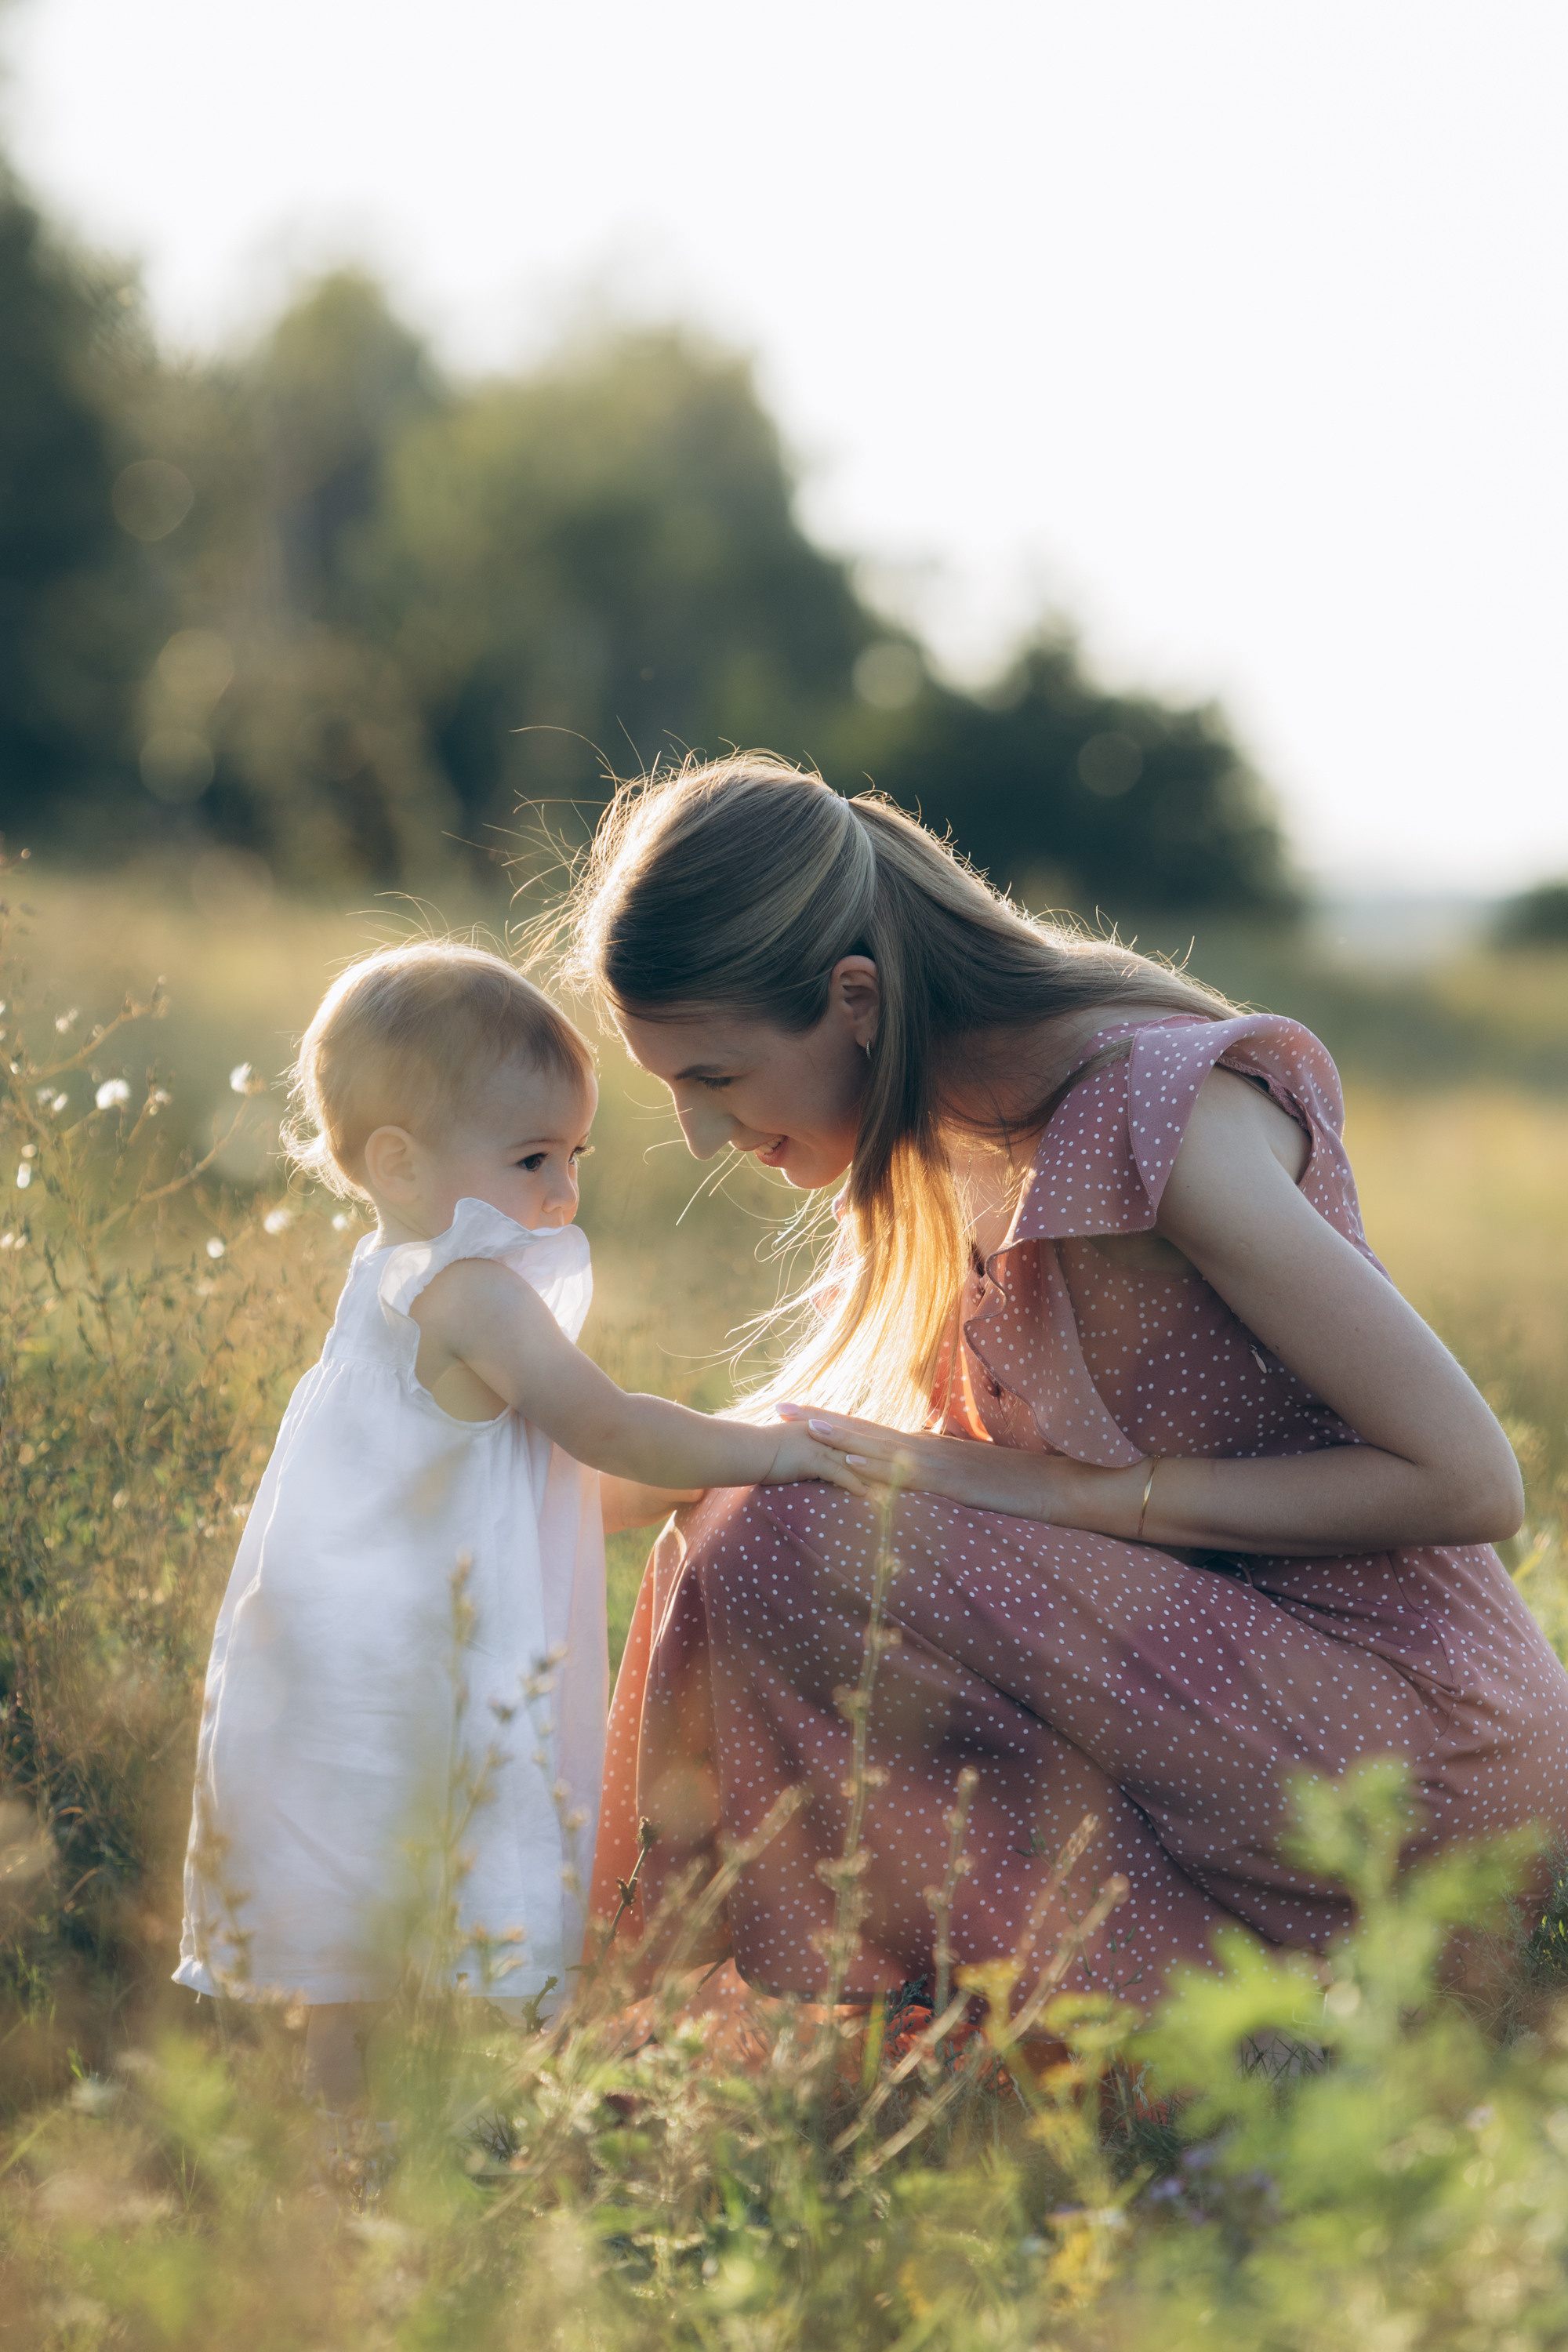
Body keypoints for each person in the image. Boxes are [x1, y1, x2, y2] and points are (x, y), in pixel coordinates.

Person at [570, 756, 1568, 2021]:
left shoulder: (1156, 1118)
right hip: (1234, 1704)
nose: (703, 1134)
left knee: (780, 1541)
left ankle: (1134, 2041)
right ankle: (1078, 2029)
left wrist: (1076, 1496)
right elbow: (813, 1451)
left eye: (712, 1078)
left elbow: (1472, 1477)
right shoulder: (929, 1132)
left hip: (1422, 1747)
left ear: (855, 998)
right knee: (743, 1513)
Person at [173, 940, 862, 2115]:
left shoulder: (398, 1284)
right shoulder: (472, 1288)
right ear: (398, 1164)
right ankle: (454, 2129)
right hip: (409, 1676)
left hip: (353, 1664)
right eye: (533, 1157)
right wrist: (775, 1447)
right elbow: (605, 1428)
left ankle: (359, 2146)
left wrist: (698, 1488)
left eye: (575, 1155)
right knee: (435, 1894)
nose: (563, 1192)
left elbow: (554, 1486)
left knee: (363, 1944)